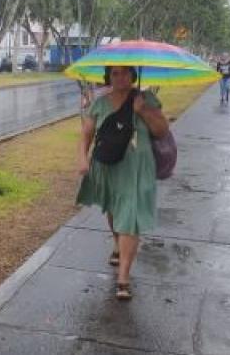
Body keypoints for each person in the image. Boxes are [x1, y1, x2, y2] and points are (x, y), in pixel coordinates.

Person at [76, 66, 169, 300]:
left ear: (133, 75)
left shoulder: (146, 99)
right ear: (109, 77)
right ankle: (117, 243)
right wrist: (82, 159)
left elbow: (161, 131)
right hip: (108, 166)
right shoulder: (99, 103)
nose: (120, 78)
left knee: (130, 217)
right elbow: (86, 134)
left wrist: (143, 110)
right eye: (115, 73)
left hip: (138, 169)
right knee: (114, 209)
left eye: (125, 73)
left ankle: (123, 278)